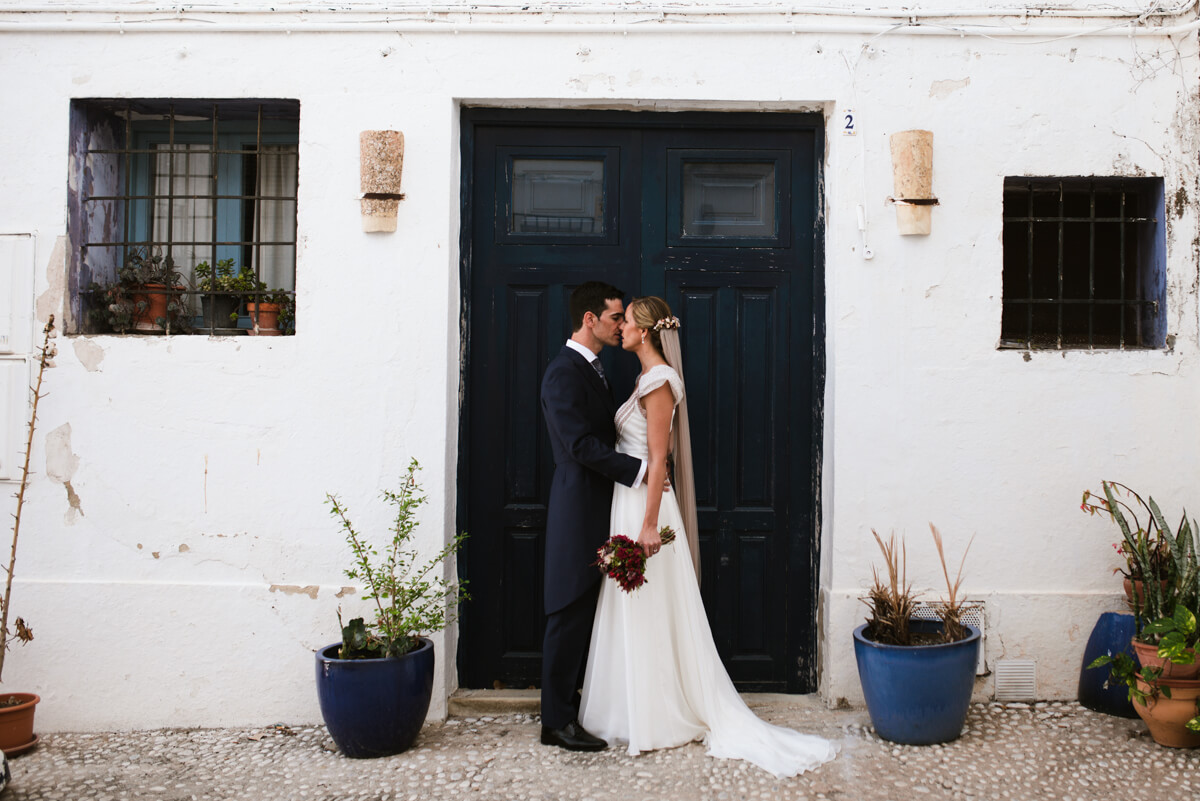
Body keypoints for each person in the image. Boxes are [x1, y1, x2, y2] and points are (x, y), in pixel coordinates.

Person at [578, 296, 839, 777]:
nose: (621, 329)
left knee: (650, 608)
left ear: (647, 331)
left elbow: (658, 460)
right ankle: (628, 707)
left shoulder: (659, 382)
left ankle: (655, 716)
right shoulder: (643, 378)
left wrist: (650, 523)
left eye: (628, 322)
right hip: (629, 501)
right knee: (633, 606)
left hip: (644, 507)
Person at [538, 281, 646, 752]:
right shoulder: (564, 372)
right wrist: (640, 470)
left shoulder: (595, 370)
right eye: (616, 317)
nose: (622, 325)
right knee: (568, 608)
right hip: (577, 505)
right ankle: (555, 722)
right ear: (590, 318)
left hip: (602, 504)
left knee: (586, 610)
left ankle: (576, 708)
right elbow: (579, 445)